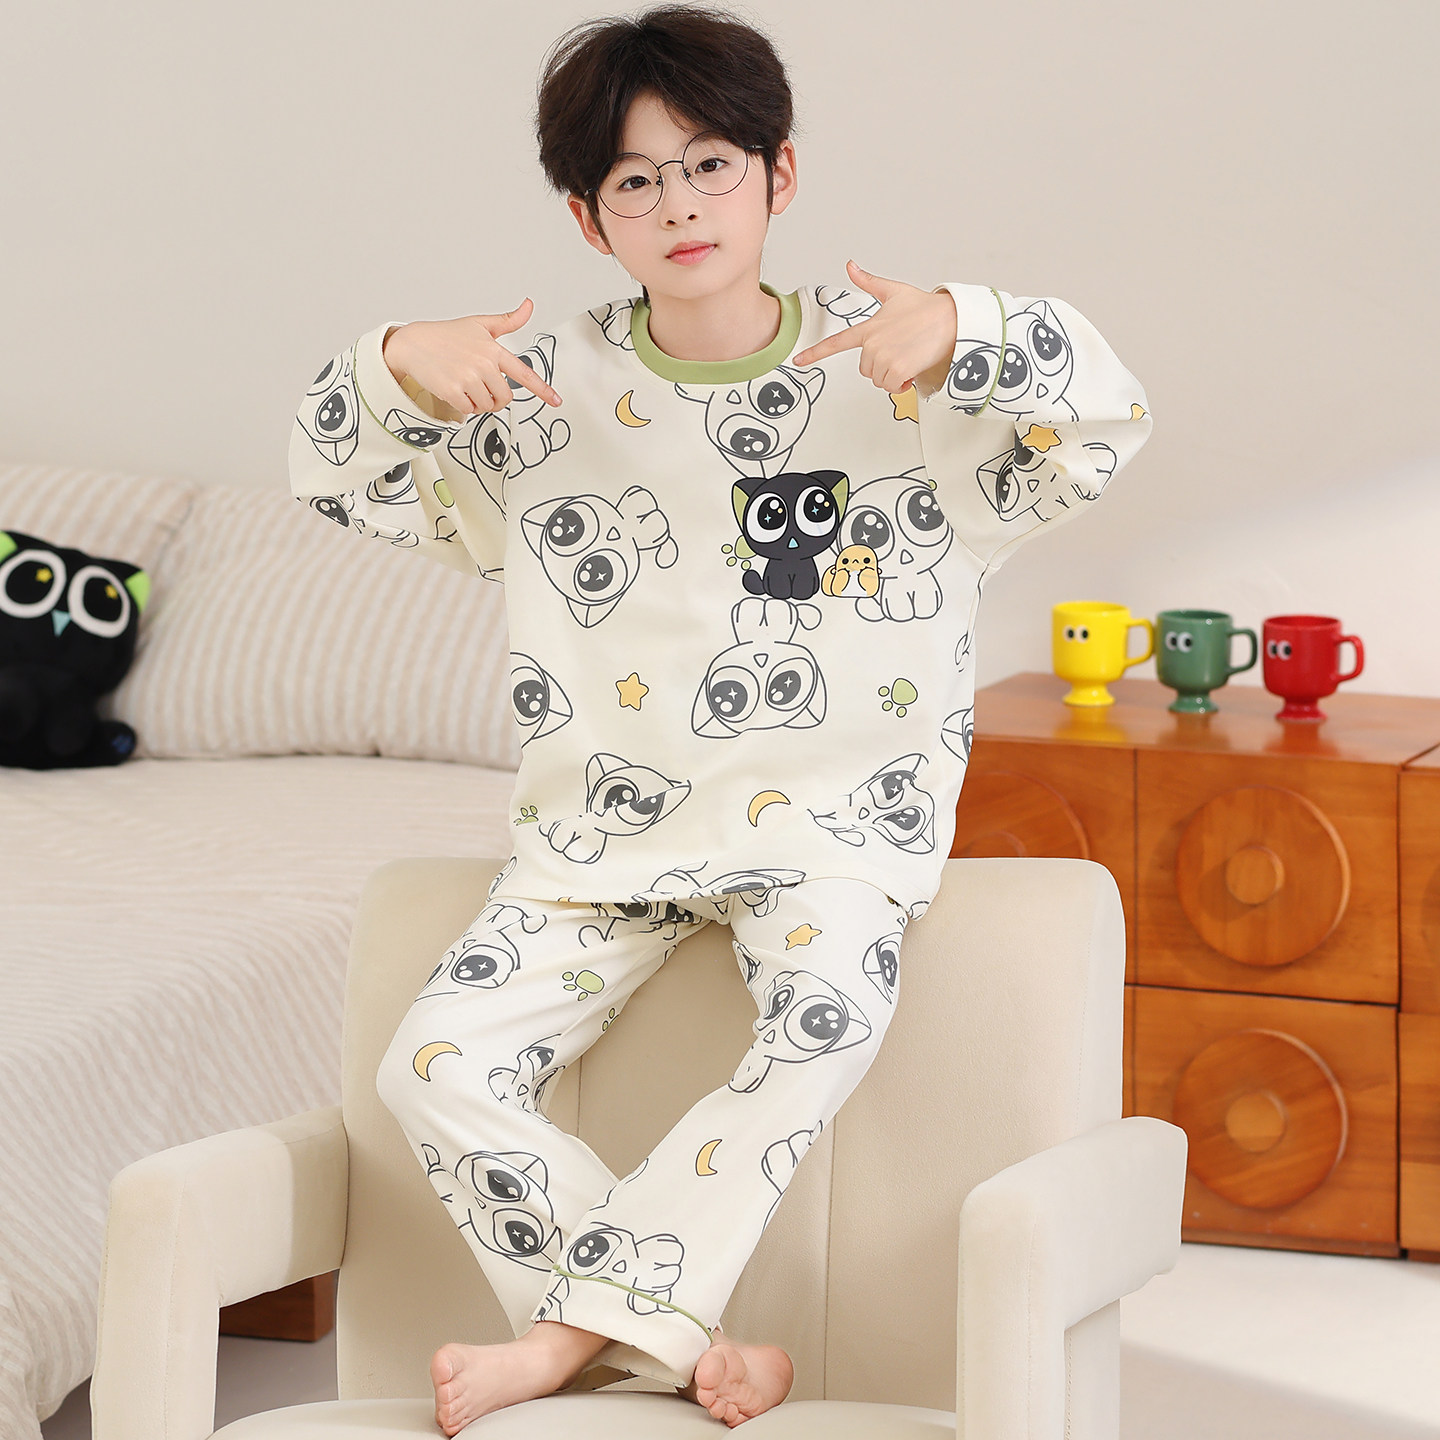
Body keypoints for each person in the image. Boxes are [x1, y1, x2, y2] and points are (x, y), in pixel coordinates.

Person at [287, 6, 1153, 1431]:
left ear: (779, 175)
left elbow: (1105, 424)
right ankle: (682, 1352)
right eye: (636, 182)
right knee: (429, 1067)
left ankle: (563, 1345)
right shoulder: (536, 399)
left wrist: (976, 326)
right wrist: (390, 361)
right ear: (588, 219)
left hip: (832, 829)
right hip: (598, 843)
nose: (679, 206)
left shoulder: (901, 377)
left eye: (710, 166)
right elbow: (340, 476)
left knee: (825, 1013)